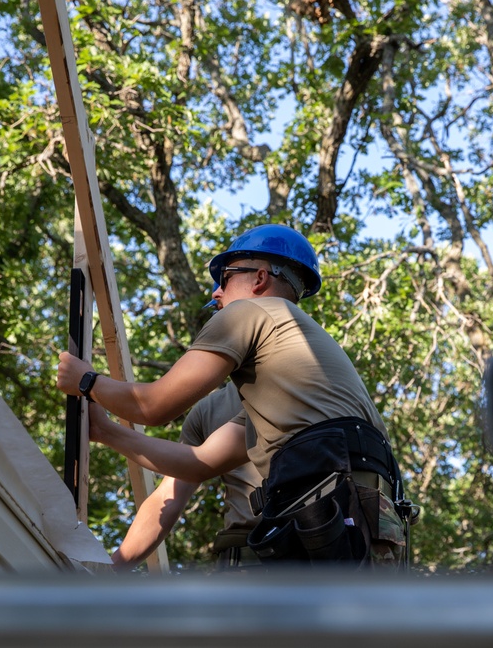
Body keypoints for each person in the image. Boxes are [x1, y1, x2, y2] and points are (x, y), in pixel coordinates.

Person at [58, 224, 407, 567]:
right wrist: (106, 432)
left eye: (225, 277)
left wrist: (87, 381)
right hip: (368, 527)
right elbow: (199, 463)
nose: (215, 293)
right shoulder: (297, 395)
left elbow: (154, 406)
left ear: (259, 278)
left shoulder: (250, 312)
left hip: (326, 508)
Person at [100, 382, 263, 571]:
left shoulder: (294, 376)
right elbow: (167, 497)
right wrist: (109, 572)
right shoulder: (208, 409)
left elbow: (151, 405)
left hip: (300, 551)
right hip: (242, 564)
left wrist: (91, 385)